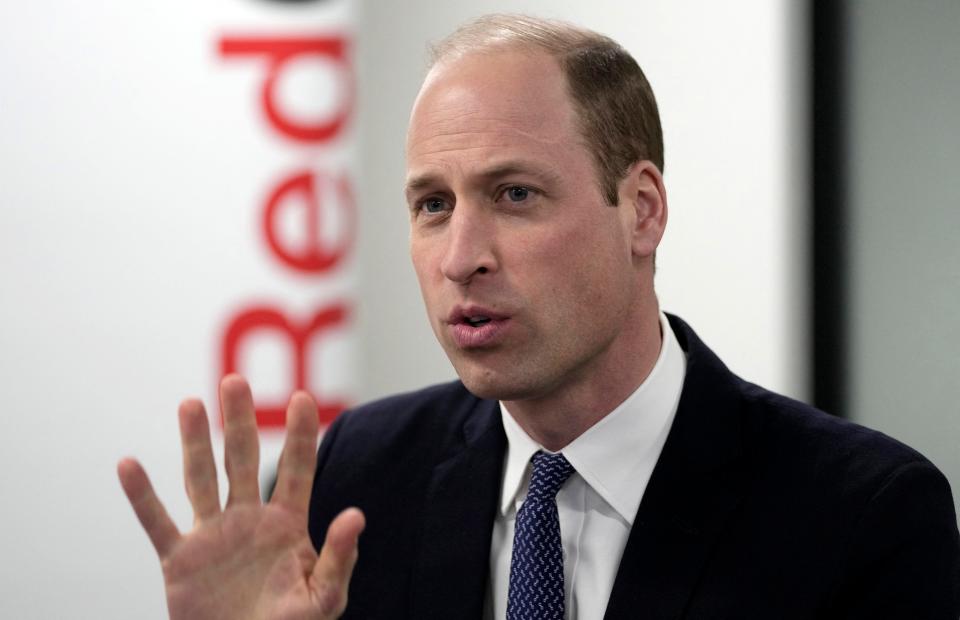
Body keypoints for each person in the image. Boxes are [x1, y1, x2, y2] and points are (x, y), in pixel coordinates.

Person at [118, 14, 960, 620]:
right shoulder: (359, 478)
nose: (461, 257)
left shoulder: (864, 516)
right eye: (432, 205)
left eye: (514, 195)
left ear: (641, 209)